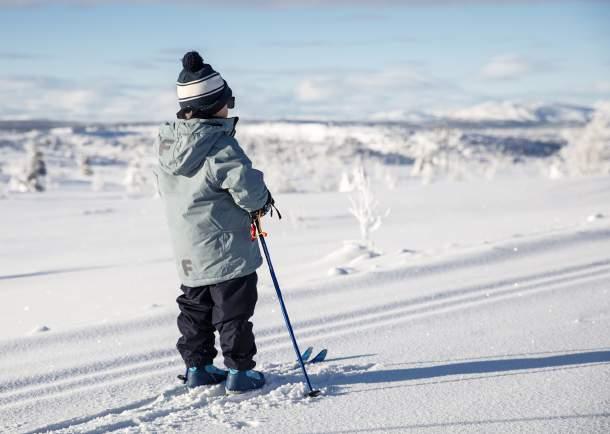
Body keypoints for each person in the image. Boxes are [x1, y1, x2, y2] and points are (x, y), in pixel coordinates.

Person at [153, 51, 275, 394]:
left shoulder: (167, 145)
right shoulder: (221, 146)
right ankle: (239, 373)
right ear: (214, 105)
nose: (230, 108)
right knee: (233, 314)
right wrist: (264, 202)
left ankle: (199, 368)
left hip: (188, 250)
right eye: (228, 101)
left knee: (195, 312)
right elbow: (249, 191)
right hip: (227, 251)